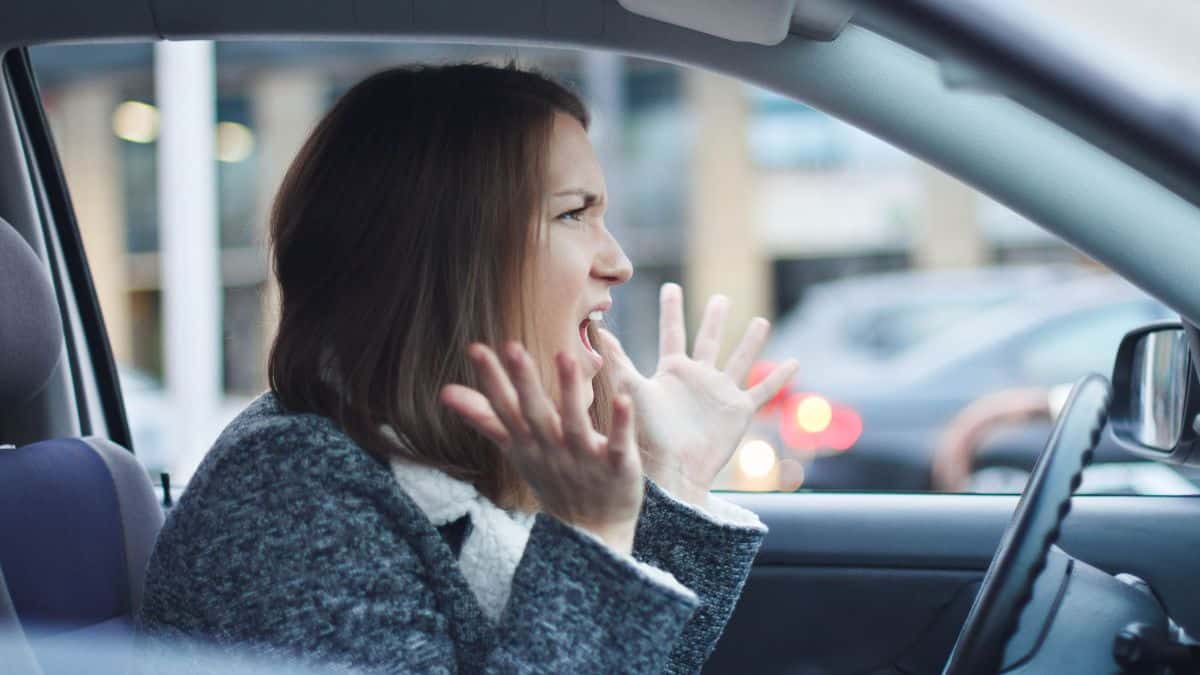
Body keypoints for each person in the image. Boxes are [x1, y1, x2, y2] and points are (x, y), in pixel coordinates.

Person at [137, 63, 798, 674]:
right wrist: (591, 539)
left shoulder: (432, 460)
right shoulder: (290, 496)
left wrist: (670, 476)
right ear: (451, 255)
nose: (618, 261)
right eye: (574, 214)